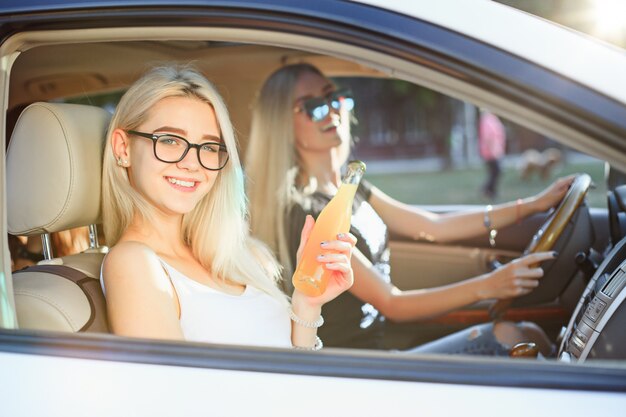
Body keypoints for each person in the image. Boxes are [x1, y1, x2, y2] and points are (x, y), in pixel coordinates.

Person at [246, 63, 575, 355]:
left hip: (387, 341)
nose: (331, 111)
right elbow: (393, 303)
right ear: (282, 125)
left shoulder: (349, 187)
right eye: (313, 107)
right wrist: (490, 285)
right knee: (510, 336)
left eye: (335, 97)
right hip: (357, 362)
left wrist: (531, 205)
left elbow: (432, 226)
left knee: (529, 333)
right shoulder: (308, 213)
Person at [100, 65, 355, 350]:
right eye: (170, 140)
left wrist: (307, 302)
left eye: (208, 147)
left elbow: (295, 367)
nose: (192, 163)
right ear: (123, 149)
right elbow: (168, 391)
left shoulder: (243, 255)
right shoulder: (134, 263)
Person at [478, 109, 506, 199]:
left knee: (494, 172)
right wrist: (493, 151)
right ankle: (488, 190)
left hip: (495, 150)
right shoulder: (487, 119)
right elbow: (488, 137)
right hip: (491, 152)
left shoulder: (493, 119)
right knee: (496, 171)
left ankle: (489, 191)